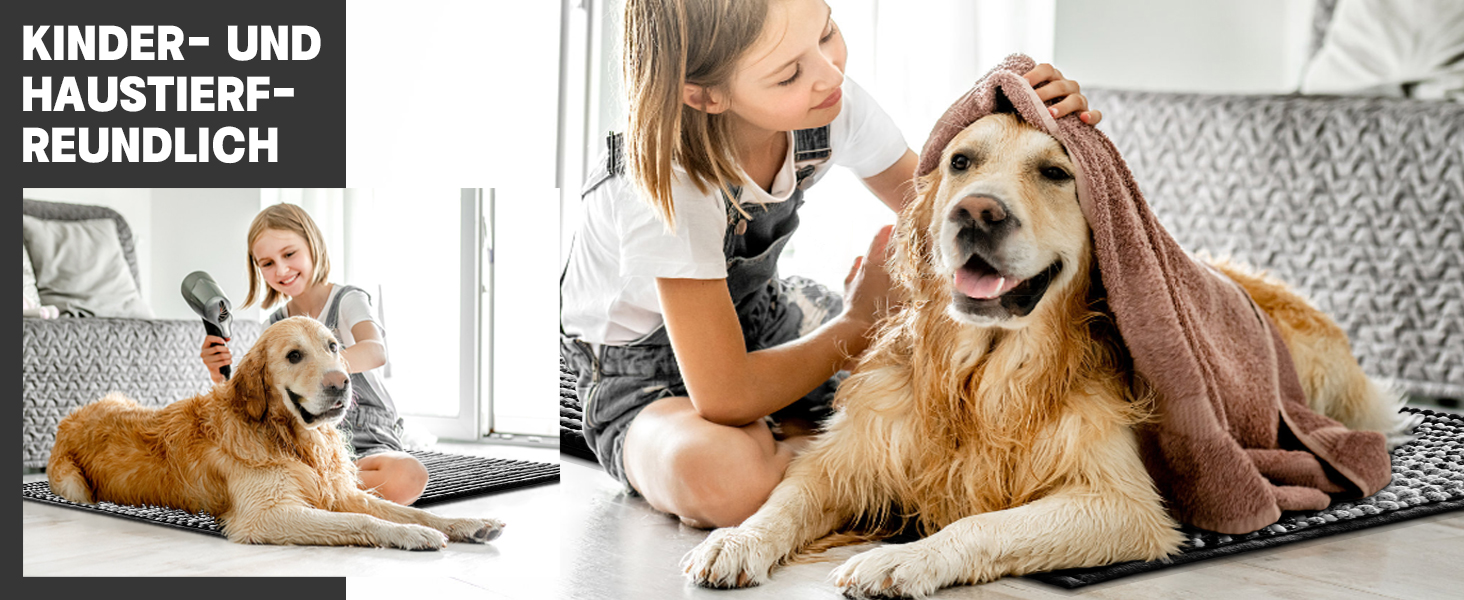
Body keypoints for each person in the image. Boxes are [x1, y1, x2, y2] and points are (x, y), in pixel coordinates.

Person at [560, 0, 1101, 529]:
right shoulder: (669, 182)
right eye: (789, 73)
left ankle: (798, 440)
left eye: (825, 32)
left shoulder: (826, 103)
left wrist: (1027, 107)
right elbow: (723, 395)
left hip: (768, 318)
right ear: (703, 95)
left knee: (938, 389)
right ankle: (818, 450)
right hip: (646, 379)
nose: (828, 74)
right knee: (725, 481)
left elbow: (932, 209)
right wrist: (856, 326)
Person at [200, 203, 430, 506]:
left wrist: (318, 367)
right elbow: (257, 402)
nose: (280, 270)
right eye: (267, 263)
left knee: (408, 476)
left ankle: (312, 493)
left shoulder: (348, 299)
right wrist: (220, 373)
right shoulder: (273, 326)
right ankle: (330, 494)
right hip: (306, 437)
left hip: (364, 432)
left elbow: (375, 351)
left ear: (313, 245)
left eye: (289, 254)